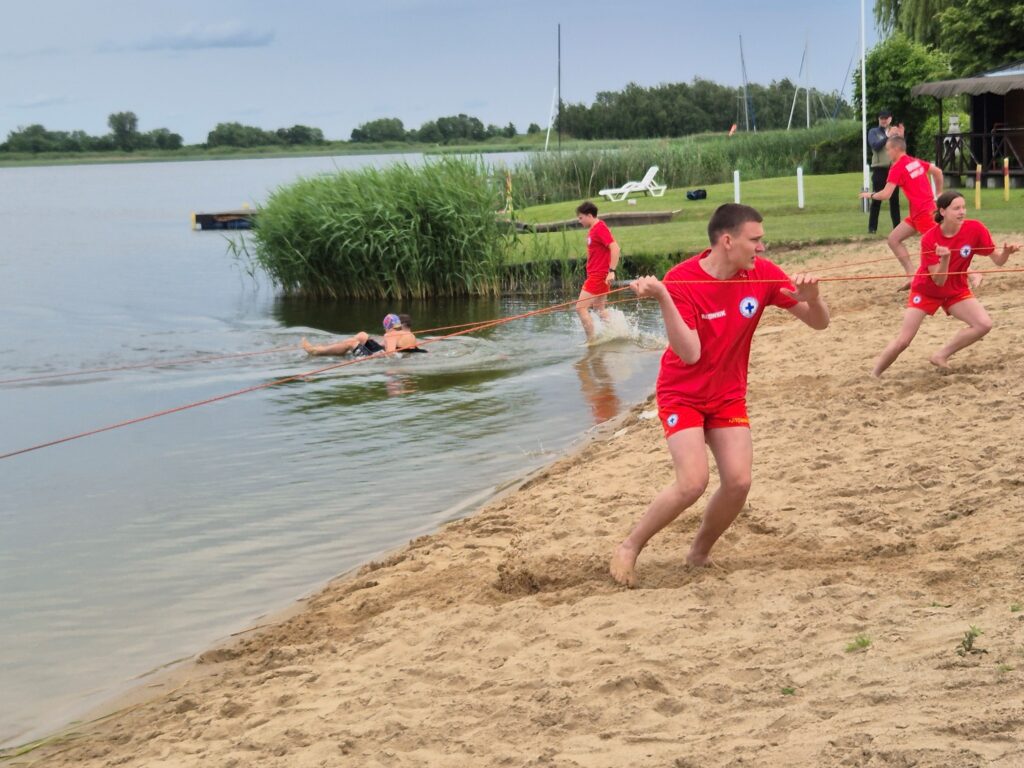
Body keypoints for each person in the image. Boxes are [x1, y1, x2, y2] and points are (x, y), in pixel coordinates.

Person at [609, 204, 830, 588]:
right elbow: (690, 353)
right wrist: (663, 296)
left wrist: (814, 298)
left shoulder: (762, 274)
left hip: (727, 395)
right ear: (728, 241)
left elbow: (818, 322)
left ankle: (699, 553)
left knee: (739, 482)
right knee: (692, 483)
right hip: (682, 393)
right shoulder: (682, 279)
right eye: (755, 239)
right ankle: (629, 546)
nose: (761, 247)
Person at [871, 191, 1018, 376]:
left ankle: (940, 355)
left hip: (955, 290)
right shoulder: (929, 238)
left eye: (963, 207)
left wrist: (1006, 253)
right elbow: (938, 280)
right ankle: (874, 374)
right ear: (942, 211)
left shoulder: (975, 228)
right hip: (926, 290)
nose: (962, 212)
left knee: (983, 324)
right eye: (956, 208)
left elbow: (998, 261)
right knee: (904, 340)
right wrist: (946, 259)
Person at [860, 136, 944, 281]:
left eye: (888, 150)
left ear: (896, 149)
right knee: (893, 239)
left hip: (924, 214)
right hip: (918, 213)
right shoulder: (915, 161)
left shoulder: (897, 167)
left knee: (941, 246)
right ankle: (912, 276)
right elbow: (938, 172)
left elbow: (886, 194)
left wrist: (870, 195)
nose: (887, 153)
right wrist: (939, 193)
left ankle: (971, 273)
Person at [574, 201, 621, 341]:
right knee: (599, 308)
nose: (579, 221)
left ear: (589, 215)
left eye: (581, 217)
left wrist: (611, 271)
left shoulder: (600, 228)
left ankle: (591, 341)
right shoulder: (594, 229)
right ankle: (616, 333)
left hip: (598, 276)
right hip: (599, 275)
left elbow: (615, 248)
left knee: (580, 308)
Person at [302, 313, 424, 357]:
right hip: (397, 354)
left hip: (379, 357)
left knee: (351, 343)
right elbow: (403, 349)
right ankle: (327, 348)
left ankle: (317, 351)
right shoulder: (409, 335)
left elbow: (391, 355)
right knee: (362, 335)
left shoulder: (391, 335)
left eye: (385, 329)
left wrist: (380, 354)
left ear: (388, 327)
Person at [867, 109, 902, 234]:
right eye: (881, 118)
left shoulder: (895, 132)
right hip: (879, 169)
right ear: (878, 119)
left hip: (893, 169)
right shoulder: (873, 132)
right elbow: (875, 146)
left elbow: (900, 149)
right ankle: (872, 229)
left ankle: (897, 228)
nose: (884, 120)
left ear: (890, 119)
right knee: (877, 199)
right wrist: (887, 136)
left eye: (886, 118)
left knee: (894, 201)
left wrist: (899, 136)